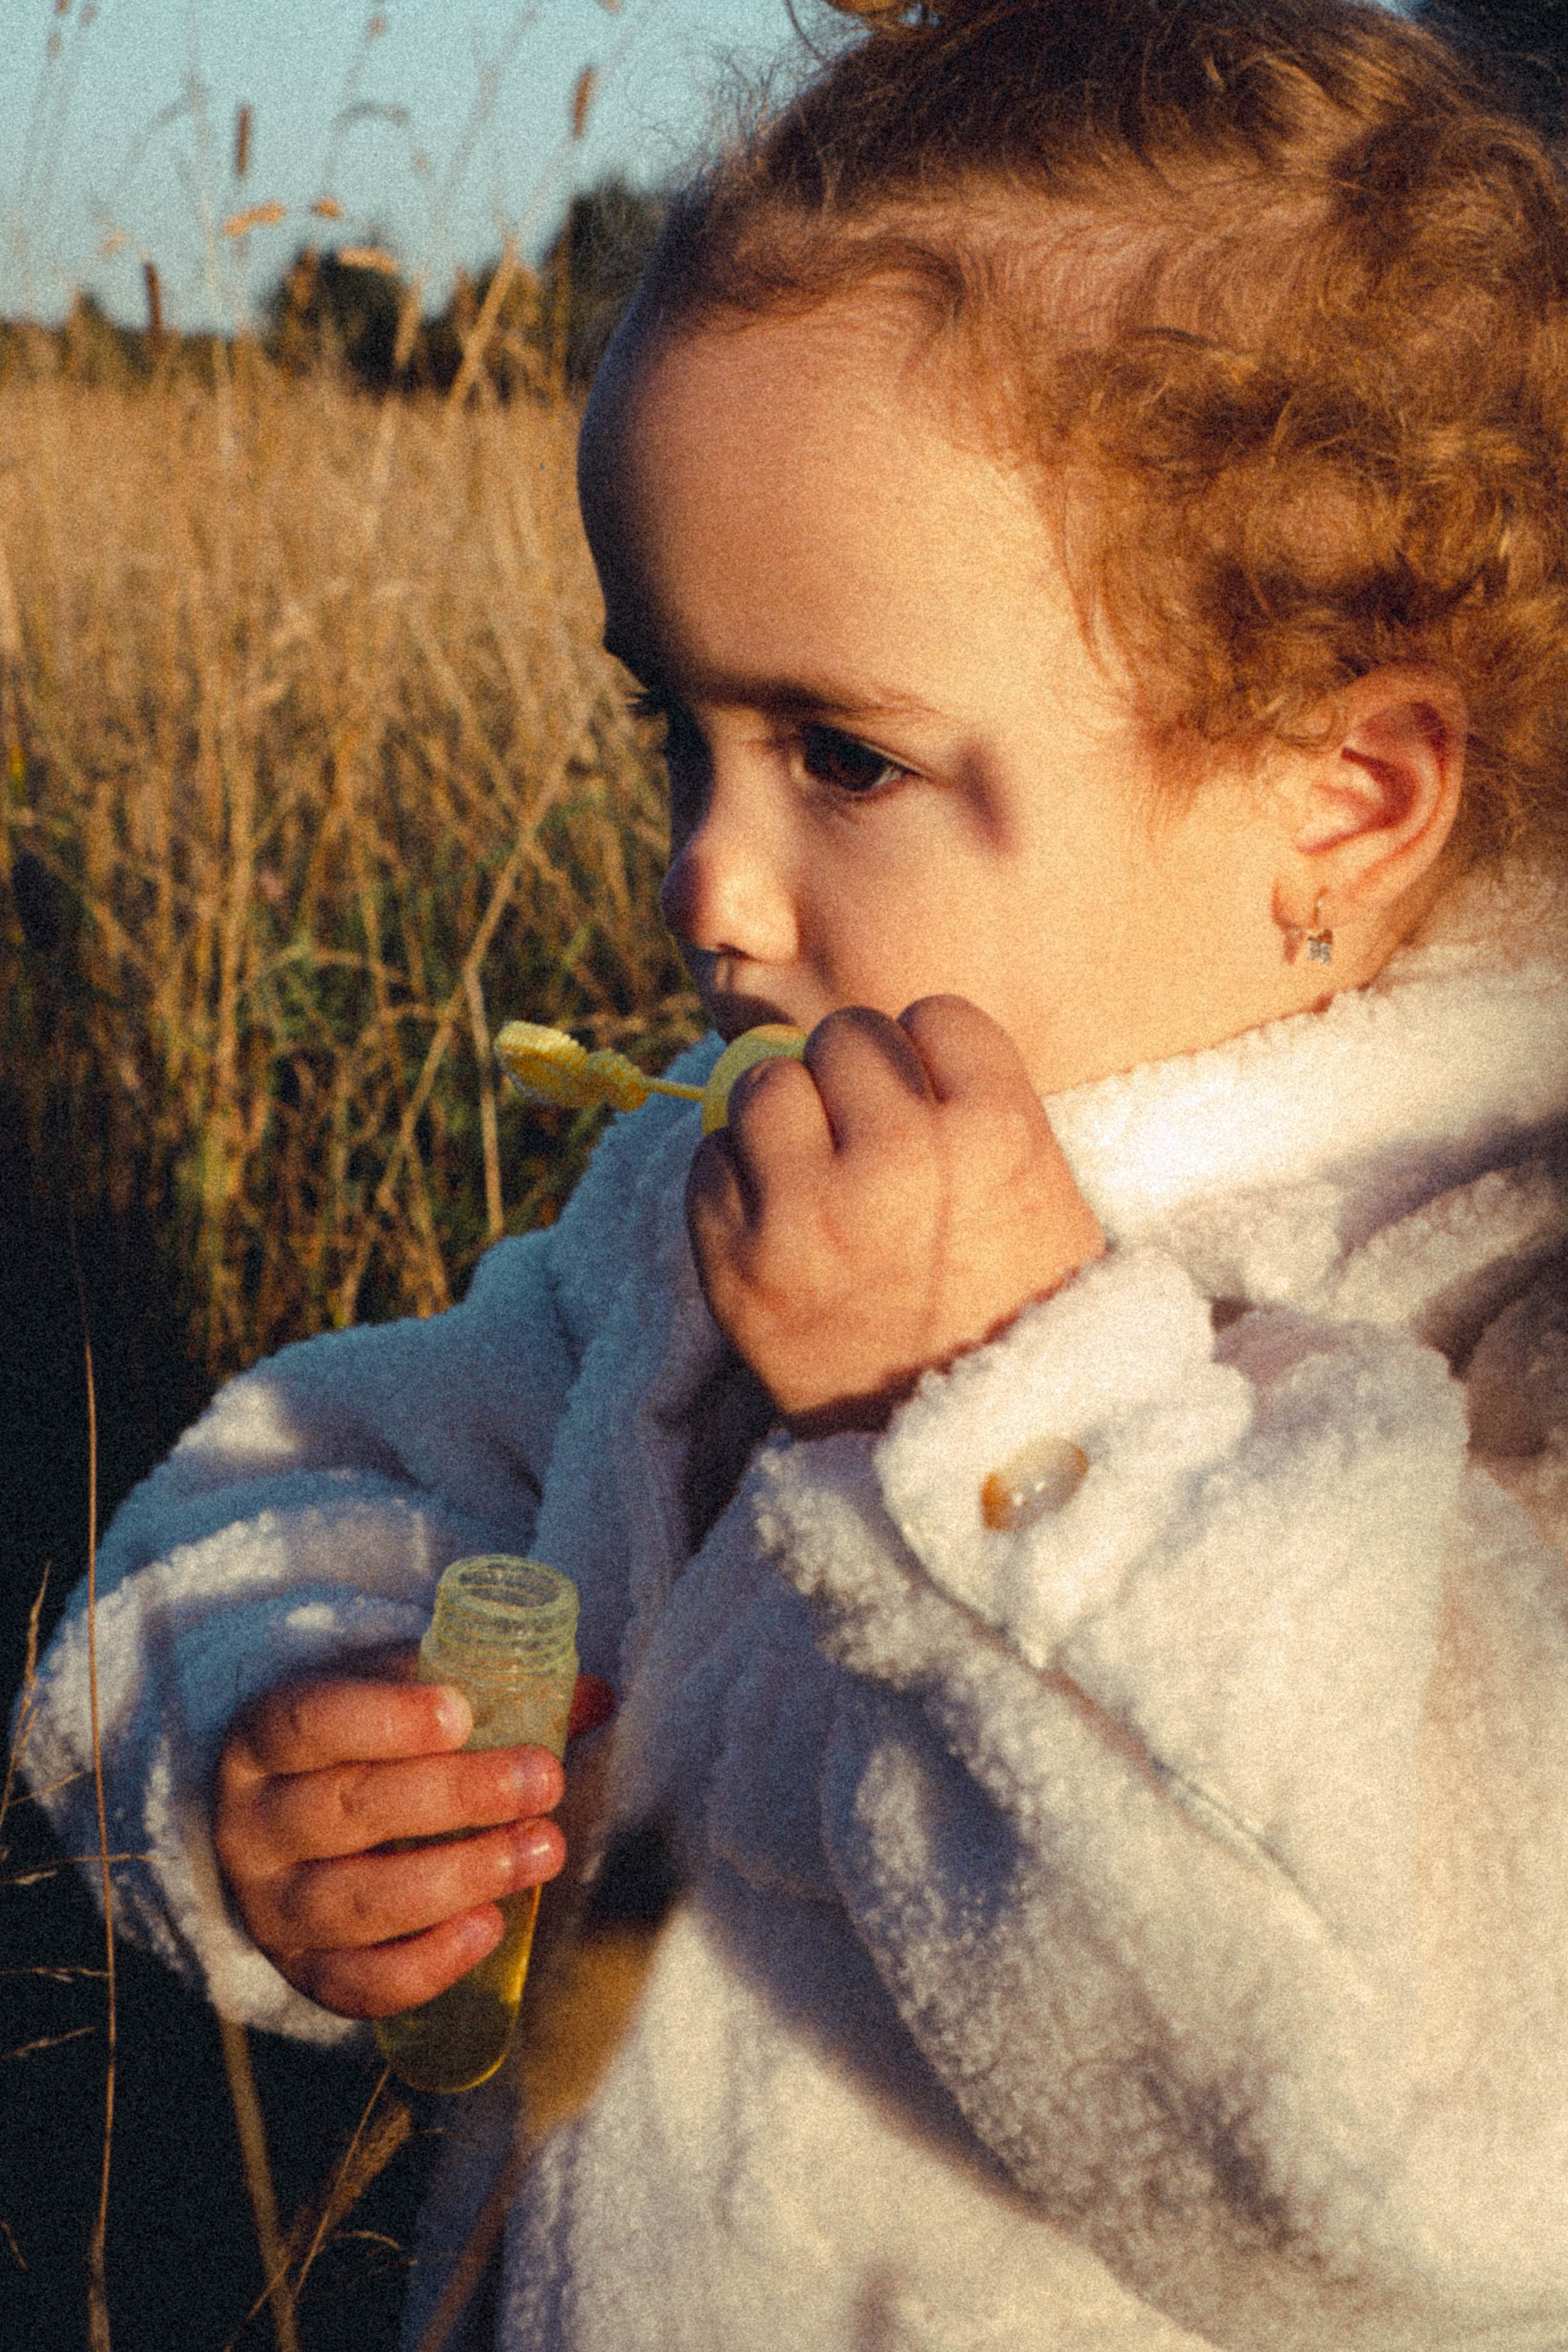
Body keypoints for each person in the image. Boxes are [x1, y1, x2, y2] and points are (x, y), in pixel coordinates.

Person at [25, 0, 1568, 2343]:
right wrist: (276, 1728)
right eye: (680, 730)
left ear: (1341, 799)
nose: (707, 888)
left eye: (840, 755)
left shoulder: (1484, 1291)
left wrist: (1012, 1402)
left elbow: (1467, 2130)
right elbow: (317, 1467)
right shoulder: (703, 1201)